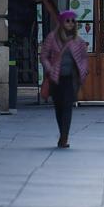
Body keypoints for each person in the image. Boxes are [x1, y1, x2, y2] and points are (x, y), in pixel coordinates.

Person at [39, 10, 88, 149]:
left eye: (73, 21)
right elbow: (44, 56)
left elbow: (84, 58)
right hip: (56, 78)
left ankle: (64, 137)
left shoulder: (78, 41)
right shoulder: (52, 38)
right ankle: (62, 133)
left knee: (67, 107)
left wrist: (83, 71)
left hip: (71, 79)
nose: (70, 23)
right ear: (61, 22)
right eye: (68, 21)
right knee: (59, 107)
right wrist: (49, 68)